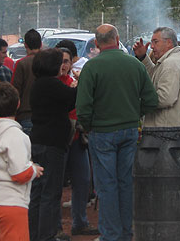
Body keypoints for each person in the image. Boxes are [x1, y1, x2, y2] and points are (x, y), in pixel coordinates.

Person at [76, 24, 158, 241]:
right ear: (117, 39)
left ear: (96, 43)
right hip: (129, 131)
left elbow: (83, 106)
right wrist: (133, 113)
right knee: (125, 183)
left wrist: (89, 126)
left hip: (101, 132)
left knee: (107, 186)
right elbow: (151, 100)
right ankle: (125, 234)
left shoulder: (92, 67)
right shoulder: (134, 65)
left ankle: (111, 235)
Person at [0, 82, 44, 241]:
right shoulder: (15, 135)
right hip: (9, 202)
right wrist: (34, 170)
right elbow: (20, 174)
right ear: (18, 104)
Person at [28, 48, 77, 241]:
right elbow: (72, 99)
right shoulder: (51, 84)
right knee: (50, 192)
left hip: (40, 142)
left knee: (38, 192)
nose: (62, 66)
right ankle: (47, 235)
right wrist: (79, 83)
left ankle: (35, 234)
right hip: (52, 144)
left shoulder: (39, 84)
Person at [58, 48, 99, 237]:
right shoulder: (55, 84)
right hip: (59, 141)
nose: (64, 65)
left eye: (67, 61)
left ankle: (80, 222)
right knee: (55, 184)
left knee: (82, 180)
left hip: (77, 138)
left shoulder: (74, 82)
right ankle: (56, 226)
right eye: (61, 62)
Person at [132, 26, 180, 127]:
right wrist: (143, 57)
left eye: (155, 42)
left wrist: (137, 102)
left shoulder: (171, 64)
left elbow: (165, 98)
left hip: (165, 131)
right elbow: (155, 77)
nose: (152, 46)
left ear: (168, 42)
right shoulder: (173, 59)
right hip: (169, 128)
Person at [11, 29, 42, 135]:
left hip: (26, 115)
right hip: (45, 116)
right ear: (41, 44)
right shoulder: (48, 61)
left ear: (25, 45)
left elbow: (15, 91)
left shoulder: (21, 64)